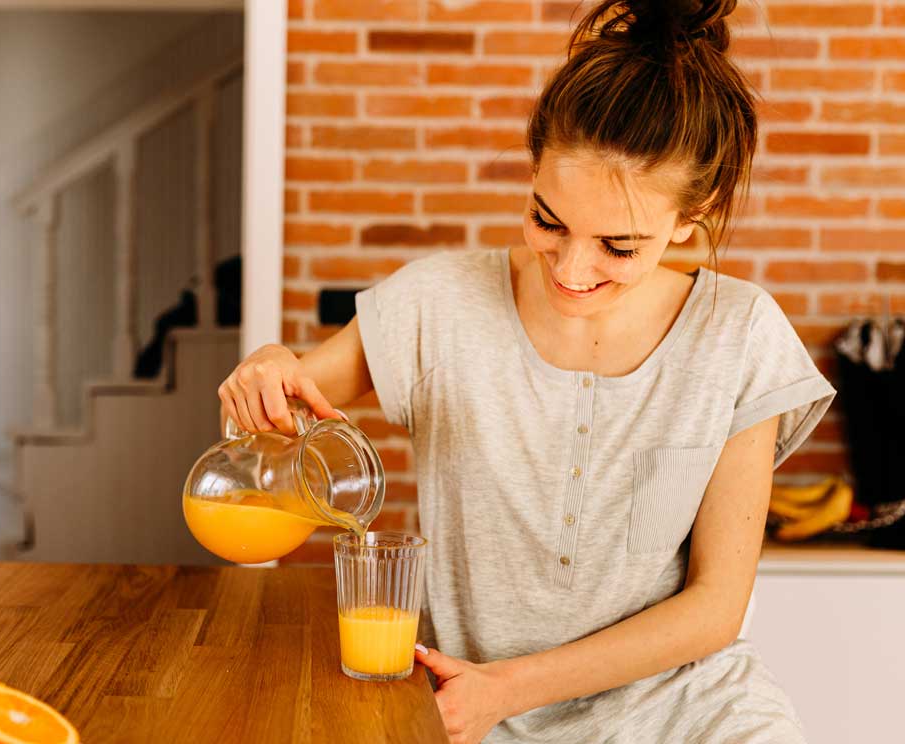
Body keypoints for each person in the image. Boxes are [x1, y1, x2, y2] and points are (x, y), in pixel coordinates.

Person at [218, 1, 835, 742]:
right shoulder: (438, 304)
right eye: (548, 220)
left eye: (619, 245)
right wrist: (264, 374)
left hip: (683, 708)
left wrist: (505, 688)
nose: (572, 270)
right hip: (466, 710)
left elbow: (715, 607)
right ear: (532, 166)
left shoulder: (739, 335)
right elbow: (269, 428)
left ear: (690, 217)